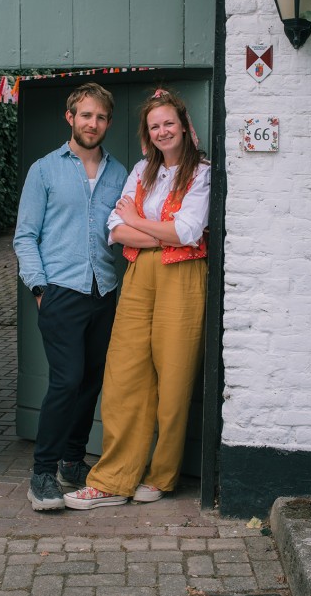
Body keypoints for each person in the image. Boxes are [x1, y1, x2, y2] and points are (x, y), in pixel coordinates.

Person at [64, 88, 210, 510]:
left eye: (169, 123)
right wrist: (144, 227)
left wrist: (137, 220)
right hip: (139, 275)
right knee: (124, 374)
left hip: (182, 276)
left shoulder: (202, 172)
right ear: (148, 134)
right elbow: (114, 226)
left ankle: (162, 474)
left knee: (174, 377)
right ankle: (113, 479)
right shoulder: (143, 171)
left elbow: (188, 231)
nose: (163, 131)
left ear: (183, 125)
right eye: (154, 126)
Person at [13, 82, 127, 511]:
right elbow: (25, 236)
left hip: (104, 290)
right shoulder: (45, 170)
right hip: (60, 289)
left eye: (100, 117)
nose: (92, 123)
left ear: (107, 123)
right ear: (71, 118)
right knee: (66, 380)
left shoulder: (120, 173)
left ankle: (72, 461)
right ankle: (42, 472)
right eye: (85, 115)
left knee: (91, 380)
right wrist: (40, 288)